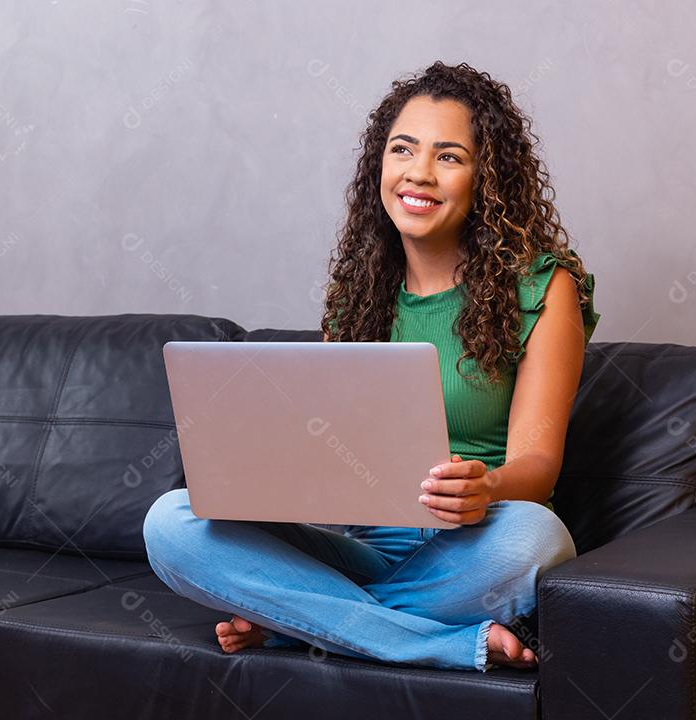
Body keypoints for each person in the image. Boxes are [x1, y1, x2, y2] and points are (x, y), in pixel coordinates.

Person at [142, 60, 600, 672]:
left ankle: (303, 624)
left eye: (449, 156)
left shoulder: (544, 288)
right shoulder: (356, 296)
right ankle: (435, 642)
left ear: (486, 178)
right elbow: (334, 467)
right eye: (402, 150)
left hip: (472, 547)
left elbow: (538, 469)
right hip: (361, 549)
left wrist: (486, 485)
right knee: (170, 523)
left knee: (540, 538)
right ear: (378, 165)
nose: (419, 173)